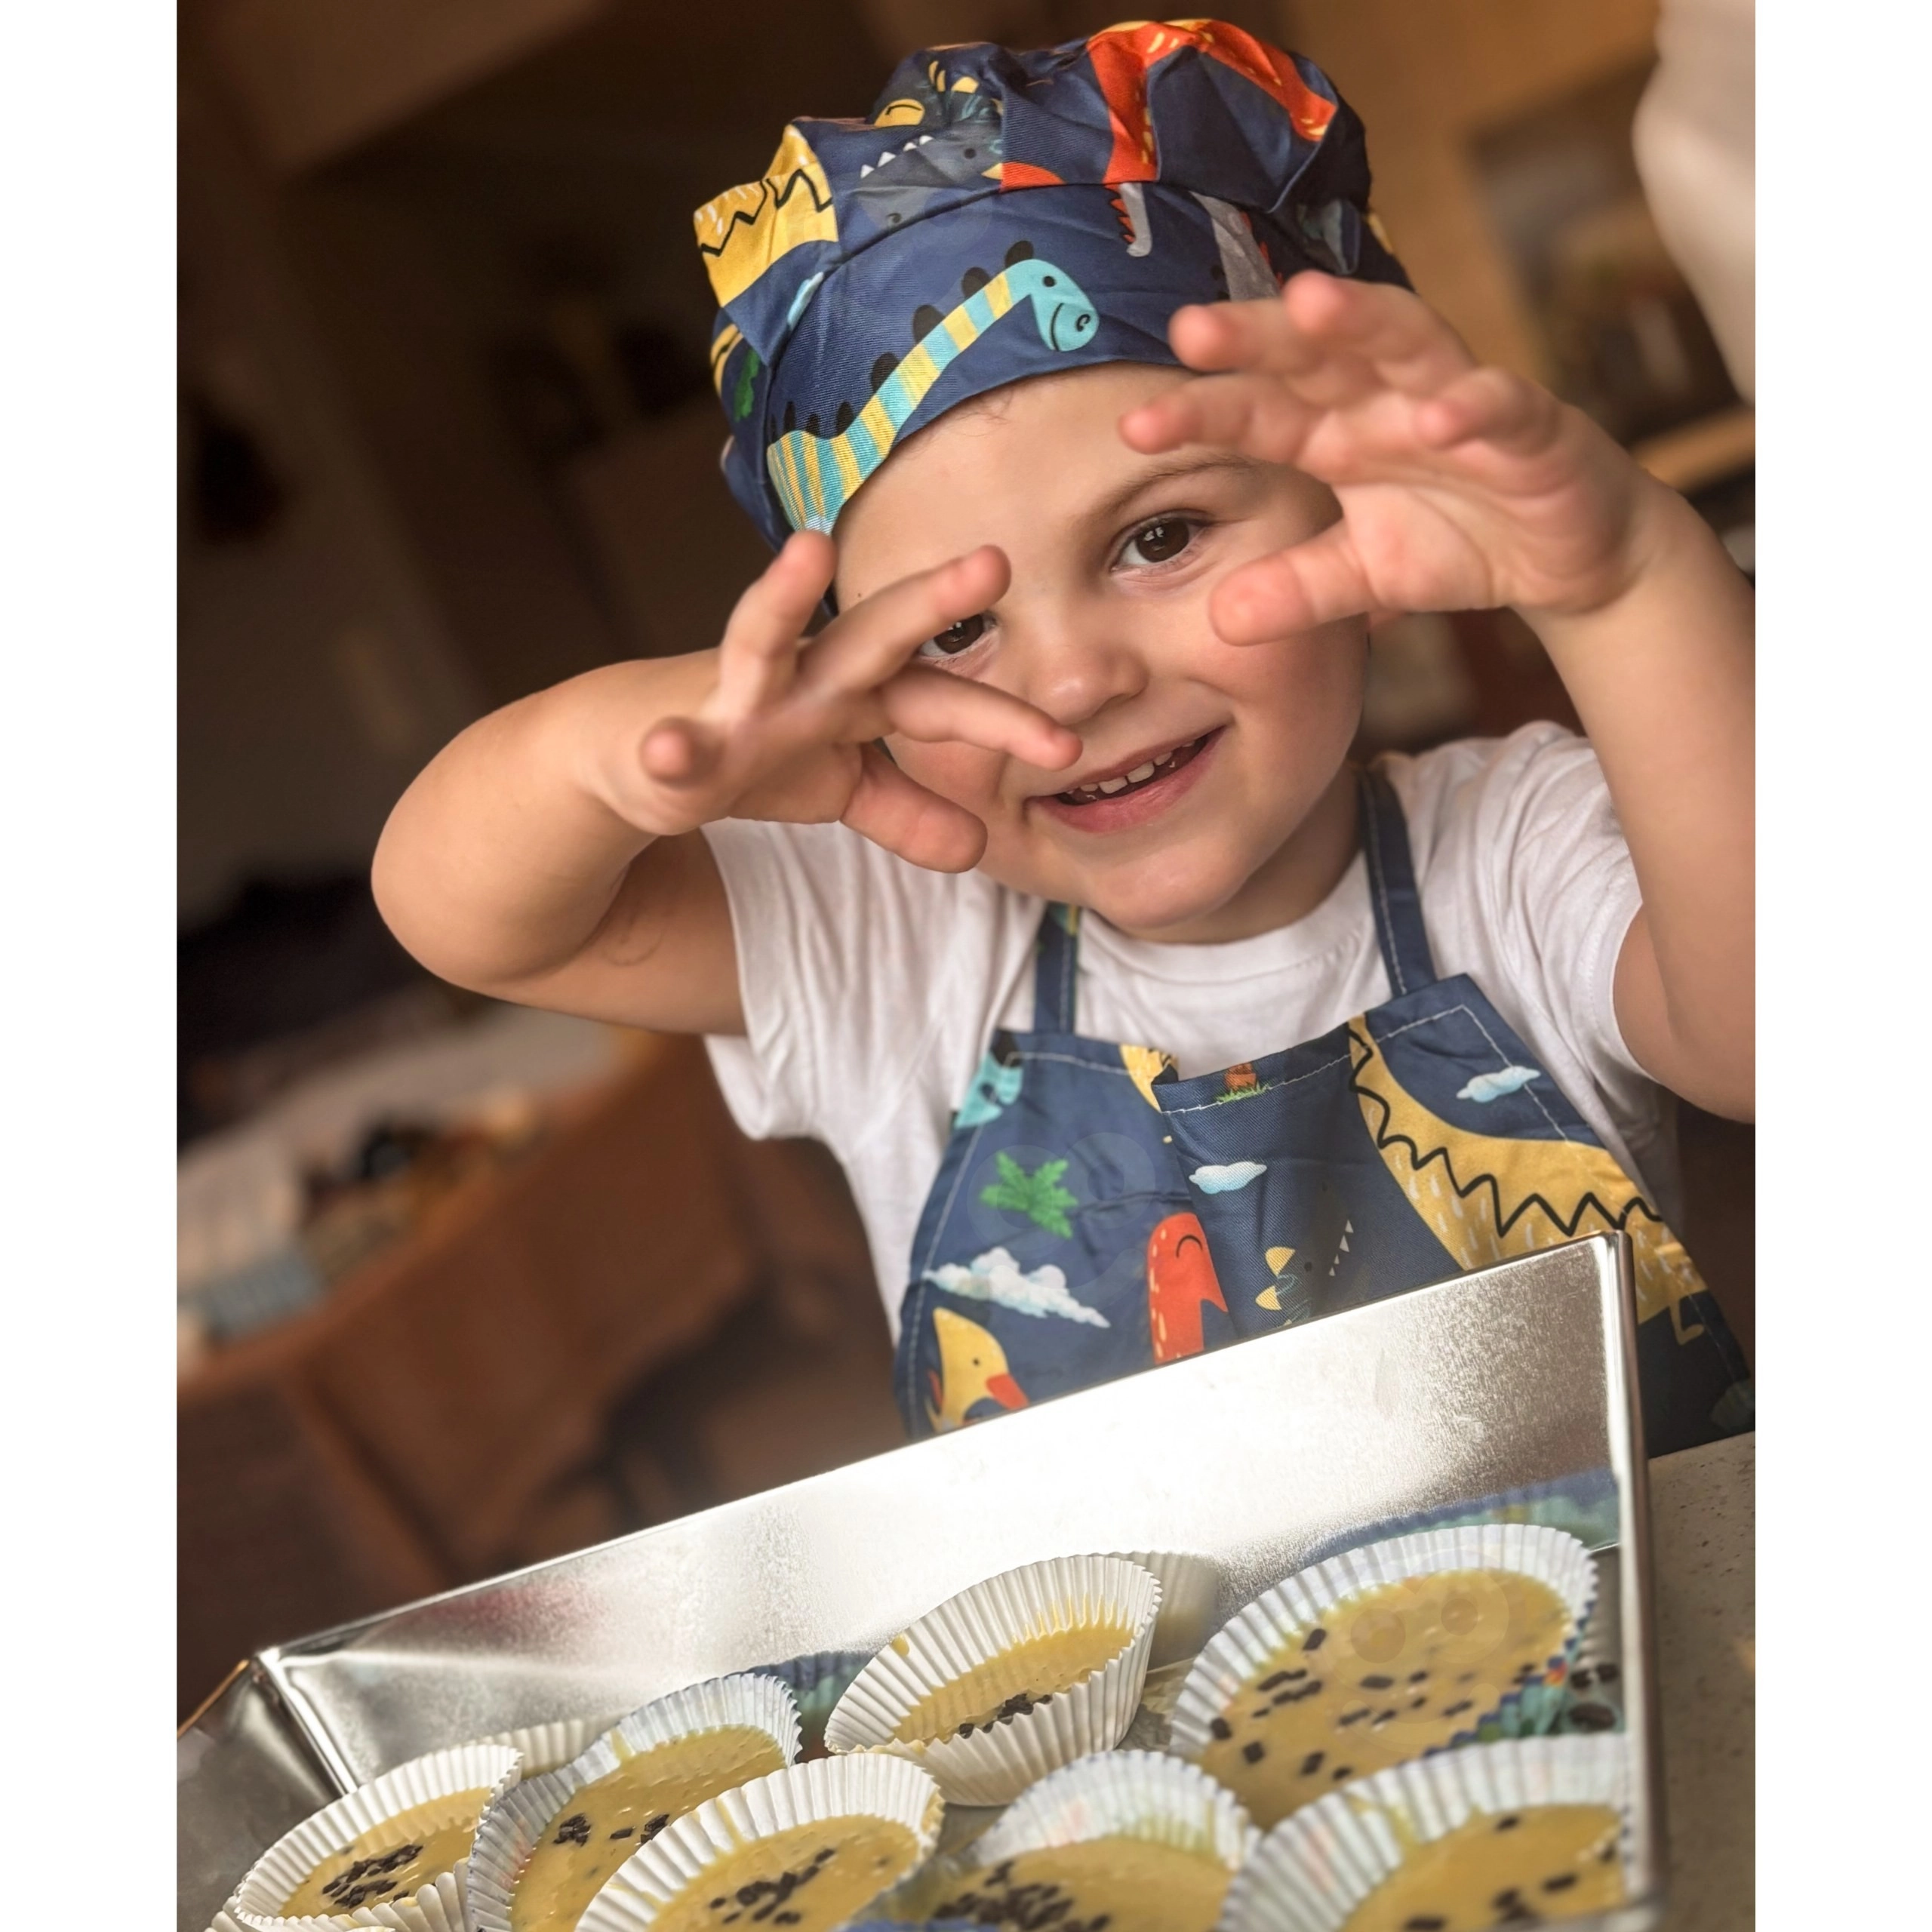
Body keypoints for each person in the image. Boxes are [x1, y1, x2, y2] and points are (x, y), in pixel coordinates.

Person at [373, 21, 1752, 1456]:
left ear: (1359, 510)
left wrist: (1629, 580)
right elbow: (460, 917)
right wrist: (634, 739)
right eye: (954, 630)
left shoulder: (1519, 852)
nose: (1075, 683)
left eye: (1159, 538)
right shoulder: (900, 942)